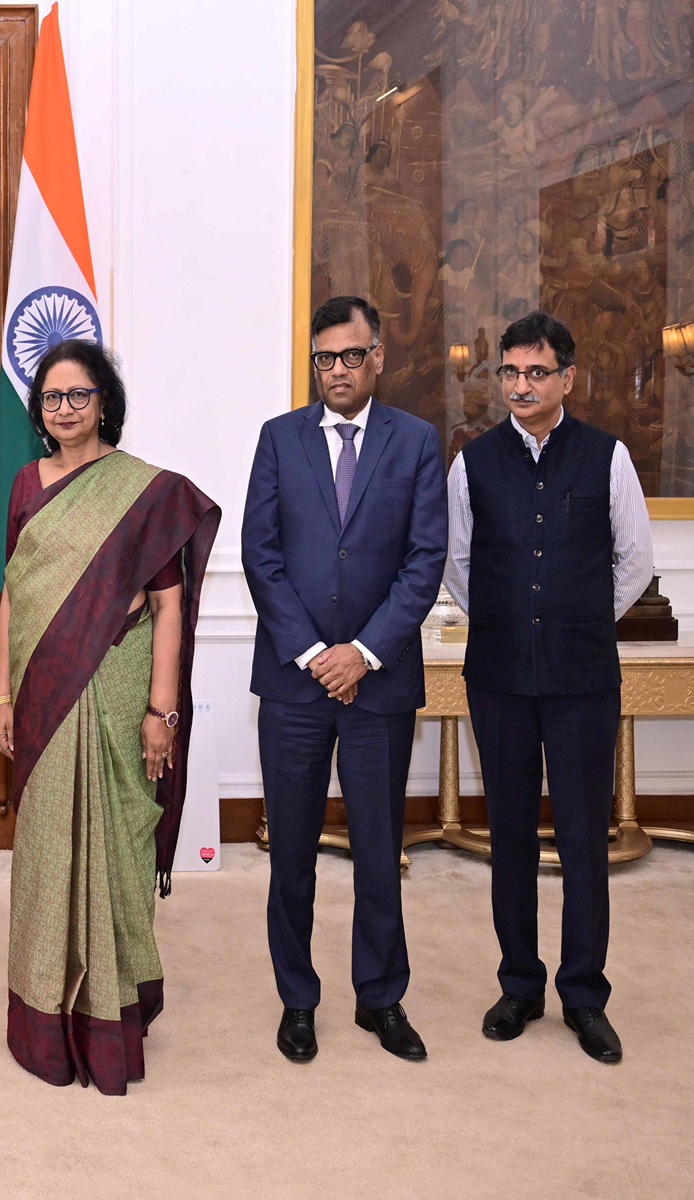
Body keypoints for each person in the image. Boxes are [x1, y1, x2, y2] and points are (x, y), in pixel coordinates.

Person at [0, 339, 219, 1096]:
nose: (64, 410)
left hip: (118, 686)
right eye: (52, 399)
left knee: (116, 844)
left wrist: (163, 711)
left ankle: (110, 1014)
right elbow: (13, 597)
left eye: (78, 396)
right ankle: (46, 1020)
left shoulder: (141, 492)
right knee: (48, 845)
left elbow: (166, 605)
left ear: (104, 402)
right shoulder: (27, 483)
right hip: (41, 689)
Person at [242, 295, 446, 1065]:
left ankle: (380, 998)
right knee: (290, 853)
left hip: (380, 686)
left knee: (377, 851)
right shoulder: (278, 439)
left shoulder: (417, 442)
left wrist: (362, 653)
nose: (337, 370)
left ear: (378, 357)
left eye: (351, 355)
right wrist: (313, 654)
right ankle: (298, 999)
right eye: (325, 357)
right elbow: (260, 553)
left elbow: (424, 559)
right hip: (294, 687)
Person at [444, 311, 652, 1065]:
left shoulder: (608, 456)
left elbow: (633, 561)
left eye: (537, 372)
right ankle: (520, 985)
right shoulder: (471, 462)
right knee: (508, 838)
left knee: (582, 841)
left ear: (567, 378)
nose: (522, 385)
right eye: (510, 372)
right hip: (498, 679)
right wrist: (508, 620)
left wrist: (573, 617)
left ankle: (585, 995)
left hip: (582, 681)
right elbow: (457, 566)